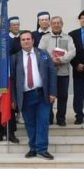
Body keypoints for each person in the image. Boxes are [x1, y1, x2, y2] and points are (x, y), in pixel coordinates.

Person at [11, 31, 57, 160]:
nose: (26, 41)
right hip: (25, 96)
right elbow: (12, 80)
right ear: (20, 42)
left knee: (43, 122)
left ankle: (42, 149)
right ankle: (33, 148)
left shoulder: (43, 54)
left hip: (42, 94)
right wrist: (14, 99)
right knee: (30, 123)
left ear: (33, 40)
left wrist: (53, 92)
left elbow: (52, 73)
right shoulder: (15, 58)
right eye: (23, 39)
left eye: (28, 39)